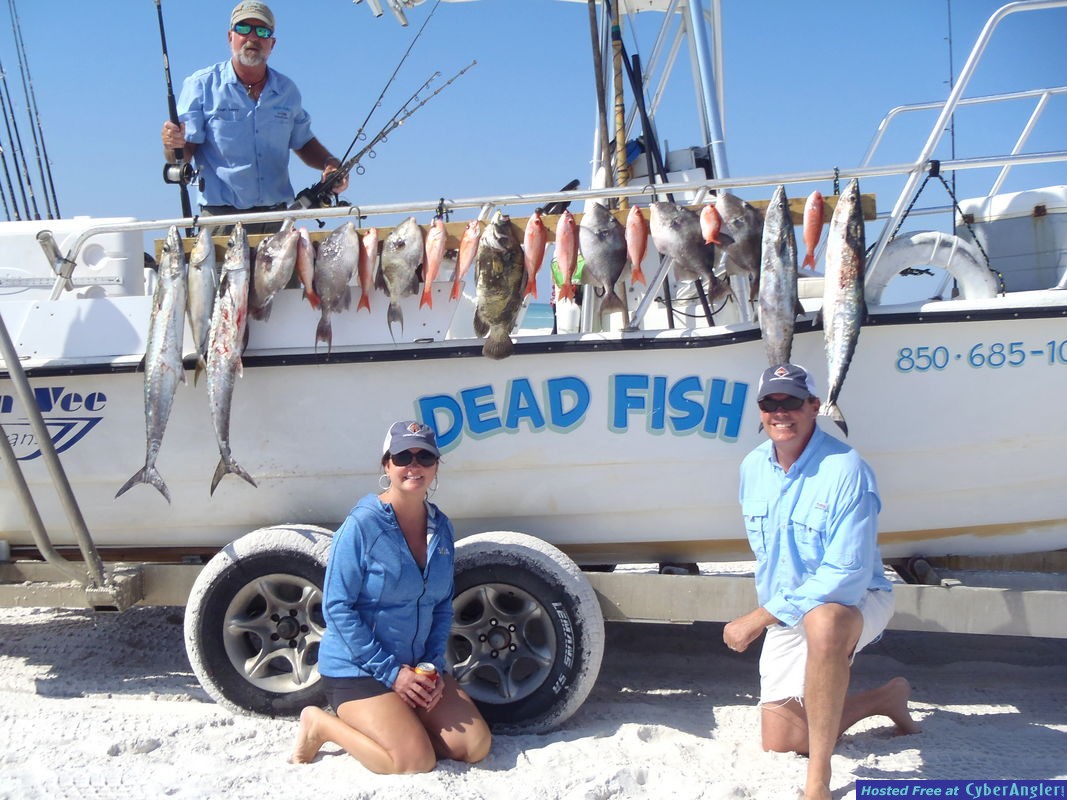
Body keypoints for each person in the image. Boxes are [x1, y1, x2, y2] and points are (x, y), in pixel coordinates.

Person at [723, 363, 920, 800]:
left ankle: (819, 779)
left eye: (792, 401)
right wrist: (777, 611)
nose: (780, 412)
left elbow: (846, 575)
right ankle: (885, 699)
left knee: (825, 622)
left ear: (815, 406)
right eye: (769, 402)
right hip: (790, 606)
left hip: (856, 599)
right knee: (782, 739)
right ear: (759, 410)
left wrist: (760, 616)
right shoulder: (752, 466)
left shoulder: (848, 468)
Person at [289, 420, 491, 773]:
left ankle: (403, 720)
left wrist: (430, 668)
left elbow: (441, 606)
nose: (414, 466)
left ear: (436, 466)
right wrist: (393, 674)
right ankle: (320, 725)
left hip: (415, 670)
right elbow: (337, 607)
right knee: (413, 761)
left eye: (424, 457)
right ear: (387, 465)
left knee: (474, 747)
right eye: (402, 457)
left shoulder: (442, 529)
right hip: (359, 670)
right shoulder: (362, 526)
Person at [161, 2, 347, 233]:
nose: (252, 37)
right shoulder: (201, 85)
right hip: (220, 221)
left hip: (279, 219)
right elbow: (183, 153)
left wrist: (330, 163)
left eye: (262, 31)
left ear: (272, 43)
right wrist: (172, 144)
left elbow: (303, 142)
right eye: (243, 28)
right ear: (230, 37)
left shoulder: (287, 90)